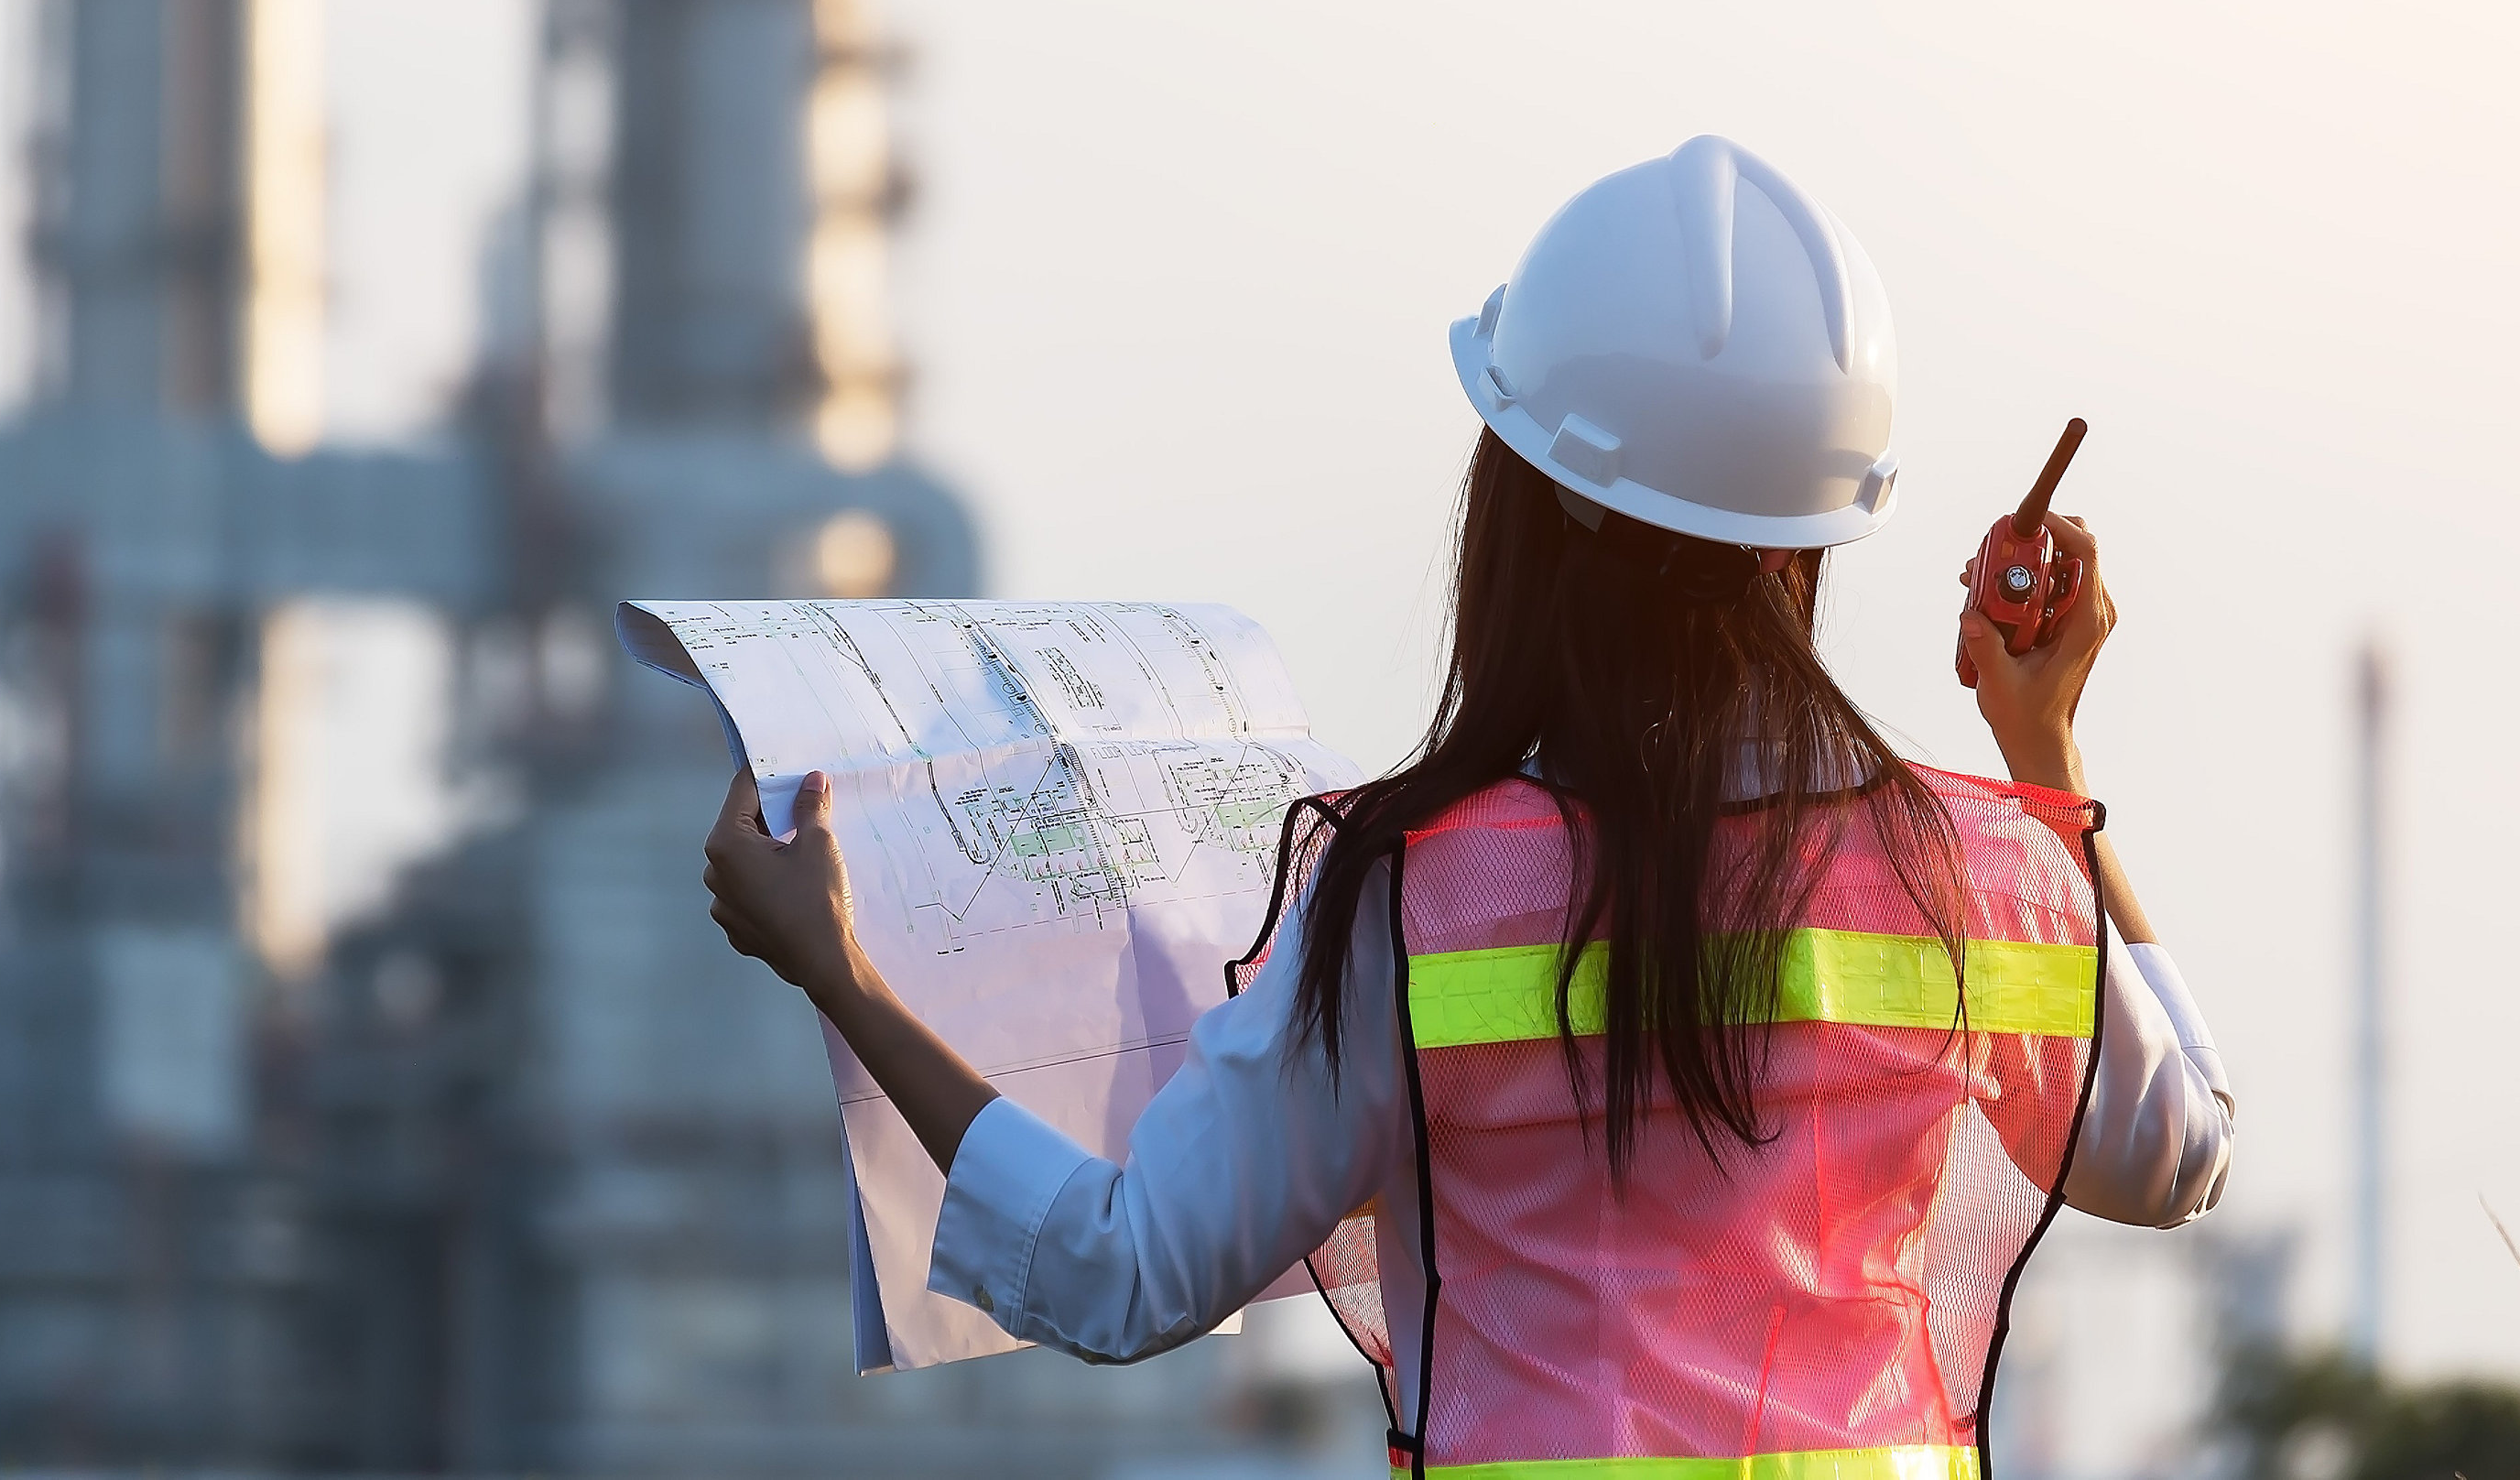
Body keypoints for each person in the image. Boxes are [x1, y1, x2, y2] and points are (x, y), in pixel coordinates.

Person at [700, 136, 2232, 1475]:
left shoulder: (1412, 898)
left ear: (1537, 502)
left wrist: (841, 967)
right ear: (1817, 532)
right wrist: (2042, 753)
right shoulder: (1976, 873)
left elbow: (1117, 1274)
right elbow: (2176, 1155)